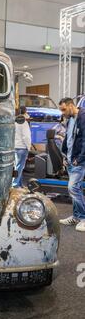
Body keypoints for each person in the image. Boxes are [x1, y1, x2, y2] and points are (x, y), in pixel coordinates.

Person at [58, 97, 85, 231]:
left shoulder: (83, 117)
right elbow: (68, 139)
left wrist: (79, 159)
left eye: (63, 109)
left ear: (70, 106)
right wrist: (65, 155)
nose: (62, 113)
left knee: (73, 188)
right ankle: (76, 216)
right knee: (76, 189)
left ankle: (83, 218)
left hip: (79, 161)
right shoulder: (70, 120)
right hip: (70, 159)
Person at [13, 113, 32, 188]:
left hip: (15, 147)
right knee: (19, 167)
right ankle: (15, 185)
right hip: (22, 147)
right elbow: (26, 137)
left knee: (18, 167)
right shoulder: (24, 123)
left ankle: (19, 184)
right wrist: (29, 147)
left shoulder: (15, 122)